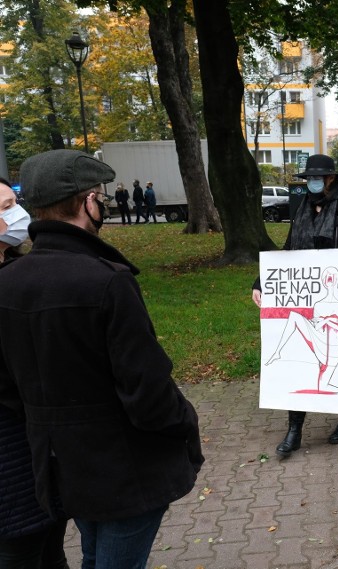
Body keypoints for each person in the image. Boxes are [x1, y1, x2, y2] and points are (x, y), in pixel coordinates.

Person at [0, 150, 203, 568]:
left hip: (62, 467)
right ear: (84, 202)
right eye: (98, 195)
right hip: (124, 470)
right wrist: (185, 426)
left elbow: (8, 387)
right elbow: (148, 391)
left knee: (94, 557)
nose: (102, 203)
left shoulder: (8, 281)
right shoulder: (107, 281)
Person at [252, 154, 338, 459]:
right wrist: (261, 281)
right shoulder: (301, 208)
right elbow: (289, 251)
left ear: (332, 179)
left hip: (337, 297)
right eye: (309, 179)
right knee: (297, 359)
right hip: (304, 297)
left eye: (319, 178)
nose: (313, 183)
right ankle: (294, 429)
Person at [0, 178, 70, 569]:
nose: (17, 214)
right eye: (6, 207)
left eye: (15, 202)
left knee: (50, 548)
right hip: (11, 465)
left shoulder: (21, 269)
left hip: (39, 452)